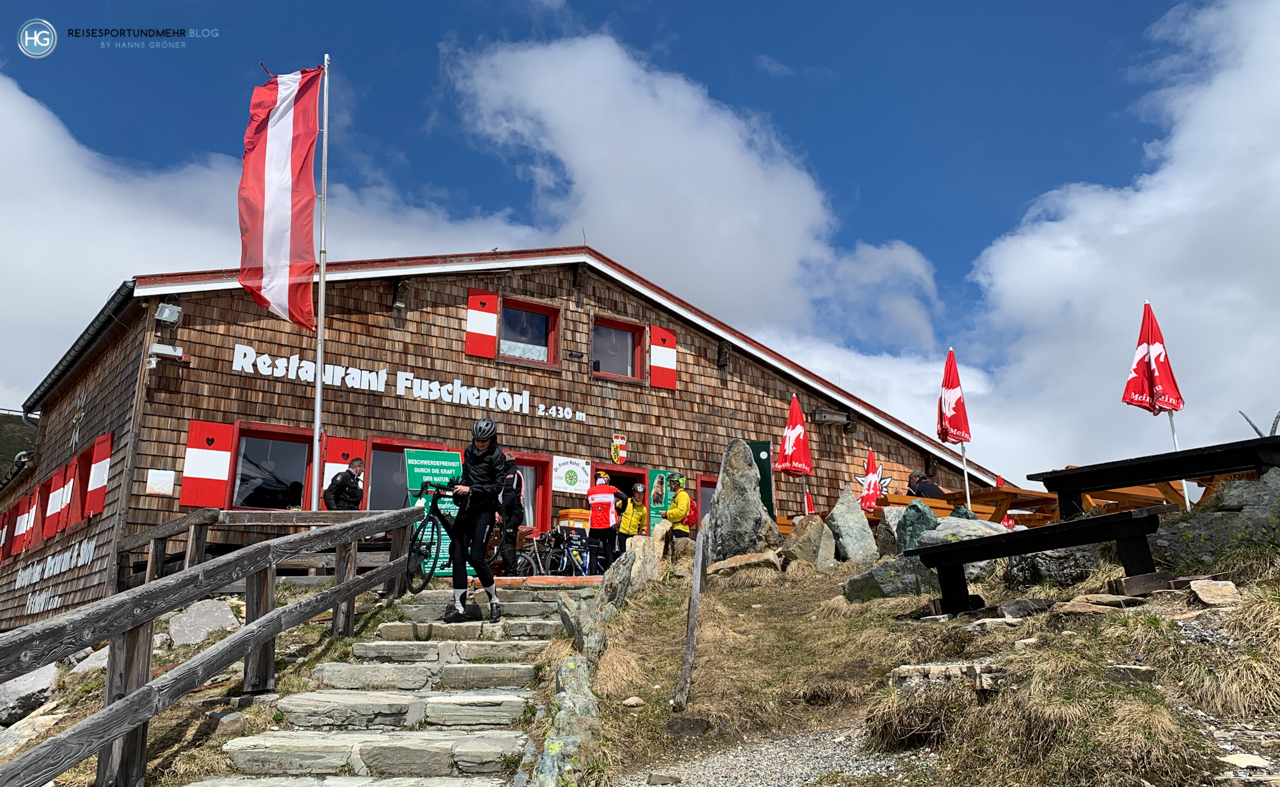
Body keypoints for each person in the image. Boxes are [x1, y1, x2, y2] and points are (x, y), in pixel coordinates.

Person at [445, 419, 506, 624]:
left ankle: (494, 602)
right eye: (477, 440)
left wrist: (472, 490)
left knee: (477, 557)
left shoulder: (498, 456)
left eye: (484, 440)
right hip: (467, 508)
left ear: (491, 438)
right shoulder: (469, 451)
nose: (480, 443)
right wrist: (459, 486)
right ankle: (459, 608)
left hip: (485, 510)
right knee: (458, 554)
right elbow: (467, 476)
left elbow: (497, 487)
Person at [586, 470, 624, 573]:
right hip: (608, 526)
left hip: (594, 526)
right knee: (609, 553)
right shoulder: (611, 490)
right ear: (606, 480)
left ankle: (592, 578)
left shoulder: (590, 491)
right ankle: (610, 576)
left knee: (593, 554)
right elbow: (624, 497)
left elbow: (588, 506)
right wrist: (621, 510)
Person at [496, 457, 525, 576]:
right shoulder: (511, 472)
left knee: (507, 542)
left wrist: (501, 512)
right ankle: (510, 571)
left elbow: (510, 495)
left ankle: (511, 573)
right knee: (507, 542)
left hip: (513, 513)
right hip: (511, 512)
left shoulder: (512, 473)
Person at [617, 482, 648, 554]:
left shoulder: (643, 509)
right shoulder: (626, 502)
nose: (640, 496)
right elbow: (615, 508)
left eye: (642, 494)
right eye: (638, 493)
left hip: (633, 535)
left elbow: (643, 524)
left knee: (632, 555)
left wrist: (643, 533)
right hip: (622, 533)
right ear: (634, 493)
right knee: (622, 554)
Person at [666, 473, 693, 538]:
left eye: (670, 483)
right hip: (676, 528)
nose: (669, 485)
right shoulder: (677, 495)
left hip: (680, 530)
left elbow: (681, 511)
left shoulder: (682, 495)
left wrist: (667, 513)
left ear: (676, 484)